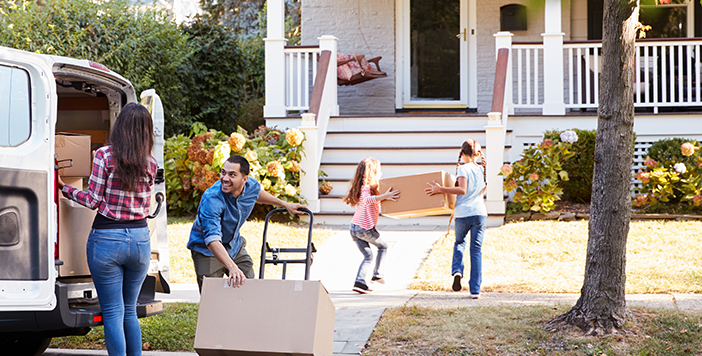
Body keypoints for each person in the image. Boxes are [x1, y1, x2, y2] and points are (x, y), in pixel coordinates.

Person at [58, 102, 158, 356]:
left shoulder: (104, 156)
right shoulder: (150, 163)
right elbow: (145, 204)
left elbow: (92, 200)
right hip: (139, 240)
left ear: (120, 127)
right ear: (146, 131)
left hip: (107, 239)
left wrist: (64, 187)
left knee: (113, 311)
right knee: (129, 308)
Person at [187, 155, 306, 292]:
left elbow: (257, 193)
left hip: (234, 246)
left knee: (249, 288)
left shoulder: (251, 186)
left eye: (232, 174)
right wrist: (232, 267)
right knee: (213, 297)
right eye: (223, 172)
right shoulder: (212, 199)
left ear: (244, 179)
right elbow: (212, 239)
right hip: (207, 251)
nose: (225, 178)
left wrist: (284, 204)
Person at [425, 139, 487, 299]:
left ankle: (457, 271)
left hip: (463, 214)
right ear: (477, 154)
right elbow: (481, 189)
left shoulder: (462, 169)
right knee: (476, 251)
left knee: (460, 242)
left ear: (463, 153)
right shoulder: (481, 169)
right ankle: (475, 290)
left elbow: (462, 189)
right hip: (480, 213)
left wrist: (440, 189)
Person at [342, 158, 400, 294]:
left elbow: (374, 202)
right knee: (383, 246)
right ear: (372, 172)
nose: (381, 173)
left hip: (354, 228)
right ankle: (378, 275)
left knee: (368, 256)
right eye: (379, 170)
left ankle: (360, 283)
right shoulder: (366, 188)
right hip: (364, 228)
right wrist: (385, 195)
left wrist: (385, 196)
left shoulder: (366, 188)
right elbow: (368, 200)